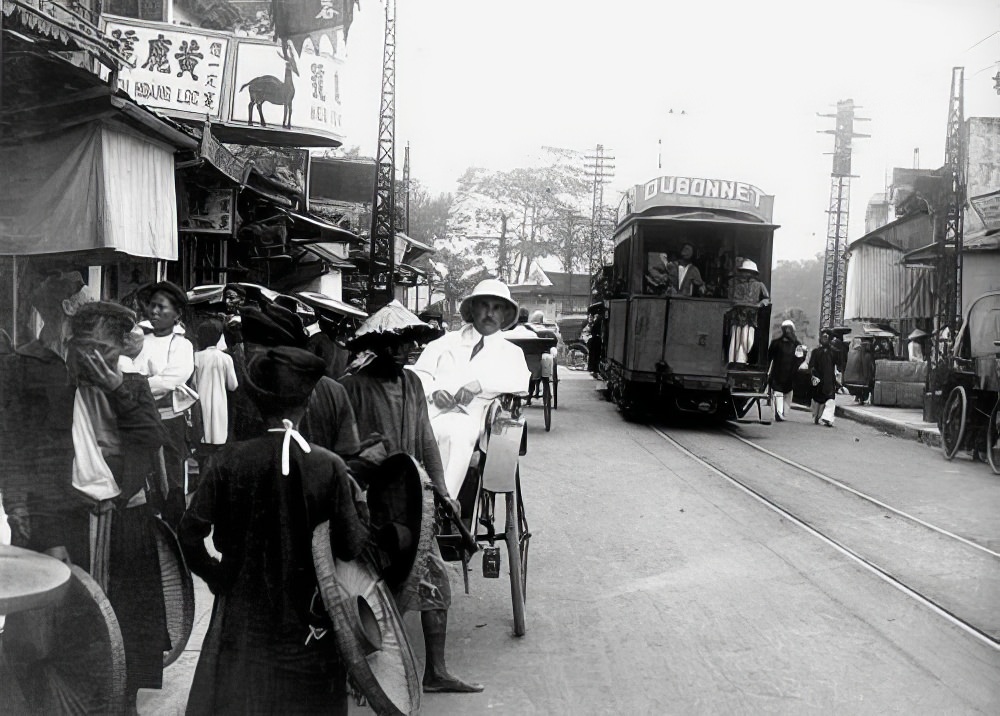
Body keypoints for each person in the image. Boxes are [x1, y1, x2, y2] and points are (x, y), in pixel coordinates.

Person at [178, 346, 369, 716]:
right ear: (308, 402)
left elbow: (189, 532)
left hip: (243, 619)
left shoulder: (227, 460)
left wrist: (217, 576)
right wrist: (361, 509)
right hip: (310, 621)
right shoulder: (328, 466)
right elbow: (350, 546)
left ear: (255, 402)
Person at [340, 302, 484, 694]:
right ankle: (364, 673)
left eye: (409, 343)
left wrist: (442, 489)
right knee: (372, 585)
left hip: (414, 498)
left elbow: (425, 440)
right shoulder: (352, 387)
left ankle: (435, 671)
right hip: (371, 502)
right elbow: (342, 451)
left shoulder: (413, 384)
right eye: (397, 343)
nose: (405, 350)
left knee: (433, 578)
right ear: (377, 345)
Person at [68, 301, 171, 710]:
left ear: (118, 348)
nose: (94, 358)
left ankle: (125, 694)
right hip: (77, 512)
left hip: (124, 513)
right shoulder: (63, 383)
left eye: (103, 348)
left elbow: (149, 437)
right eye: (85, 347)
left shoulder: (132, 386)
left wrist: (115, 389)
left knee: (128, 608)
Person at [409, 279, 531, 498]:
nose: (490, 314)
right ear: (473, 309)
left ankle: (443, 503)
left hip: (474, 417)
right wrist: (433, 392)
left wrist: (481, 385)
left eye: (497, 308)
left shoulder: (511, 352)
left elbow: (521, 382)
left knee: (456, 434)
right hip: (430, 413)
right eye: (484, 305)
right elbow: (419, 375)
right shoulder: (444, 343)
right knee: (408, 434)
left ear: (505, 315)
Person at [134, 280, 195, 527]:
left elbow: (172, 379)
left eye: (162, 307)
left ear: (177, 314)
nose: (154, 312)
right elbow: (126, 369)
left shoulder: (182, 345)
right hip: (139, 419)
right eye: (152, 306)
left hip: (169, 424)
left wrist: (138, 385)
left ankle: (174, 532)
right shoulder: (137, 339)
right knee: (142, 477)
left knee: (171, 478)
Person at [192, 318, 238, 472]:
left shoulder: (195, 357)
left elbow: (191, 382)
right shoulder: (225, 358)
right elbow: (233, 386)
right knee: (218, 442)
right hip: (219, 404)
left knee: (202, 442)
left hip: (199, 404)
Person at [727, 259, 770, 364]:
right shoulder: (737, 285)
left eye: (747, 272)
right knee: (736, 337)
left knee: (748, 337)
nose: (745, 274)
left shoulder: (759, 285)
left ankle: (743, 358)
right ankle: (736, 360)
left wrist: (759, 304)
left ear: (752, 273)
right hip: (738, 314)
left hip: (751, 315)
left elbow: (766, 298)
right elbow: (732, 299)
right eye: (744, 271)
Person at [767, 320, 805, 421]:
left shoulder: (797, 344)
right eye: (786, 329)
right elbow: (769, 357)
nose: (787, 331)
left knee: (788, 394)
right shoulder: (776, 343)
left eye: (789, 329)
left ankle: (783, 412)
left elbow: (800, 358)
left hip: (791, 374)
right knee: (778, 393)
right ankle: (779, 413)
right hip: (778, 373)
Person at [809, 329, 839, 427]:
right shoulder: (816, 352)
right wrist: (813, 375)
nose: (825, 339)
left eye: (827, 337)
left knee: (830, 399)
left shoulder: (834, 352)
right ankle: (817, 416)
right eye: (823, 337)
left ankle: (828, 418)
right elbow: (811, 365)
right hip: (819, 379)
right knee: (818, 400)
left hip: (829, 380)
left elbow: (836, 365)